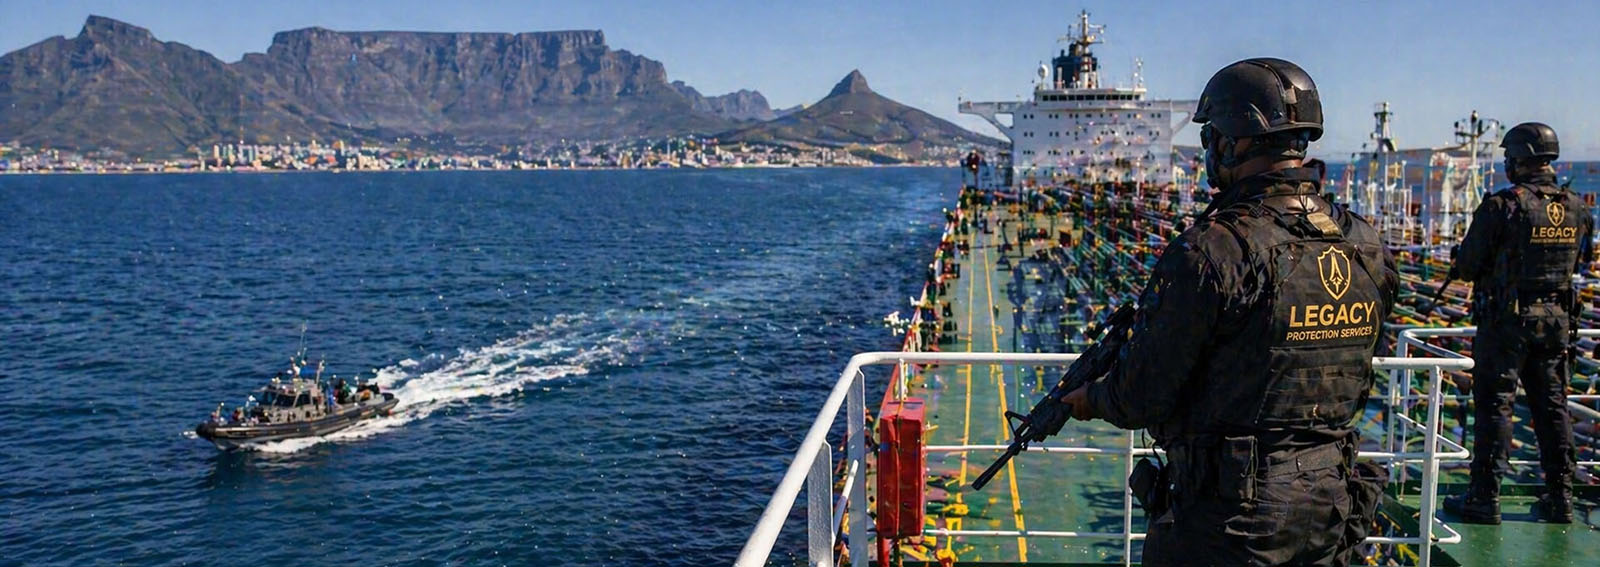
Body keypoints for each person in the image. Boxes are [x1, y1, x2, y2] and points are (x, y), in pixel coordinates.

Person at [1060, 58, 1398, 565]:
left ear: (1229, 142)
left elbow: (1142, 395)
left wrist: (1093, 397)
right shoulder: (1366, 246)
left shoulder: (1213, 250)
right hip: (1331, 502)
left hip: (1232, 518)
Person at [1444, 122, 1593, 524]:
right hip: (1558, 320)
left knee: (1496, 407)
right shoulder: (1577, 206)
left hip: (1507, 321)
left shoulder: (1502, 205)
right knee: (1553, 407)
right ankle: (1561, 498)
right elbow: (1581, 261)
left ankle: (1484, 496)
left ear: (1517, 160)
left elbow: (1469, 265)